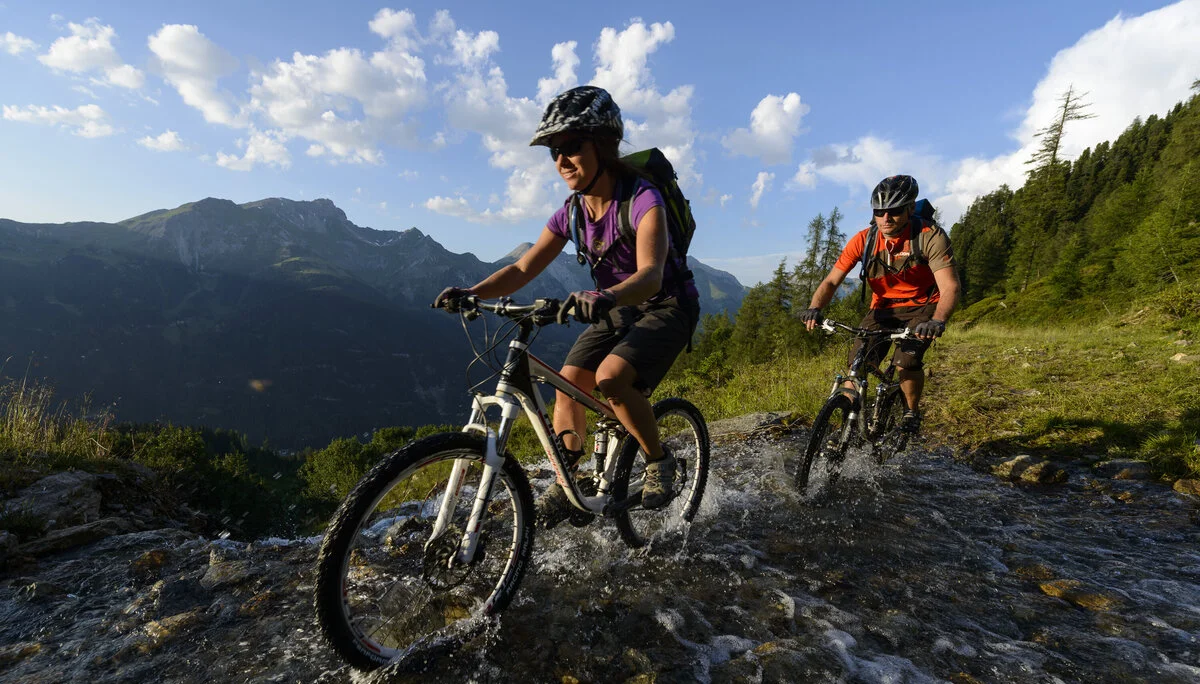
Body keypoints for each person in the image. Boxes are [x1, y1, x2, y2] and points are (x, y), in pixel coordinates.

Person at [434, 86, 700, 526]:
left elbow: (651, 275)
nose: (561, 160)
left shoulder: (641, 199)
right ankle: (568, 480)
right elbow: (523, 268)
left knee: (611, 378)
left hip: (667, 305)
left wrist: (606, 295)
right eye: (554, 151)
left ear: (605, 144)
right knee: (568, 381)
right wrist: (473, 292)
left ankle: (658, 459)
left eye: (572, 146)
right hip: (615, 307)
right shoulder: (571, 213)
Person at [801, 174, 959, 433]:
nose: (886, 218)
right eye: (879, 211)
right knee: (858, 365)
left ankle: (910, 412)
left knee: (906, 361)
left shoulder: (929, 237)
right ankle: (845, 430)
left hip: (923, 306)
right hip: (883, 308)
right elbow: (831, 281)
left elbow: (950, 286)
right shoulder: (864, 240)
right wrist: (815, 308)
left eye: (894, 211)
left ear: (910, 208)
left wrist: (937, 321)